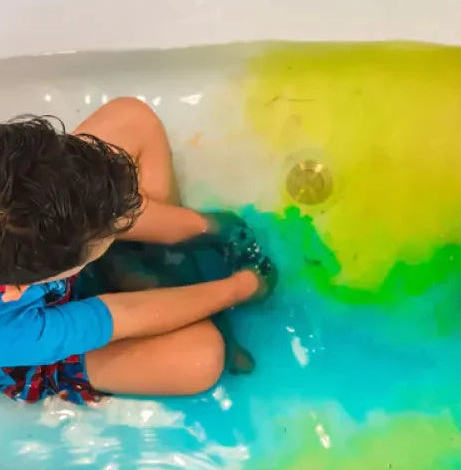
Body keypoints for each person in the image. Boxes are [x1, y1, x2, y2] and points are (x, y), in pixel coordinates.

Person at [0, 98, 273, 404]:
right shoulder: (12, 332)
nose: (119, 221)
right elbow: (127, 314)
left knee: (132, 119)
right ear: (16, 287)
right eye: (106, 233)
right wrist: (238, 289)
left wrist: (202, 226)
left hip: (32, 262)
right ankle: (138, 268)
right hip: (33, 349)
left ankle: (140, 265)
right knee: (202, 358)